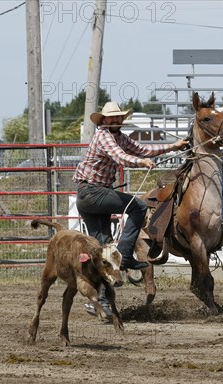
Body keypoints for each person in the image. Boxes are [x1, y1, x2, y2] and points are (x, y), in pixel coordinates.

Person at [74, 101, 188, 317]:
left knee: (104, 249)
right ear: (104, 120)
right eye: (112, 117)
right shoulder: (104, 135)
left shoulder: (118, 136)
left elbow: (141, 148)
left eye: (118, 117)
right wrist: (142, 163)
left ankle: (98, 302)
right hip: (93, 192)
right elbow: (121, 157)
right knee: (138, 206)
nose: (116, 120)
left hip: (90, 195)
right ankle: (125, 254)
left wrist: (173, 146)